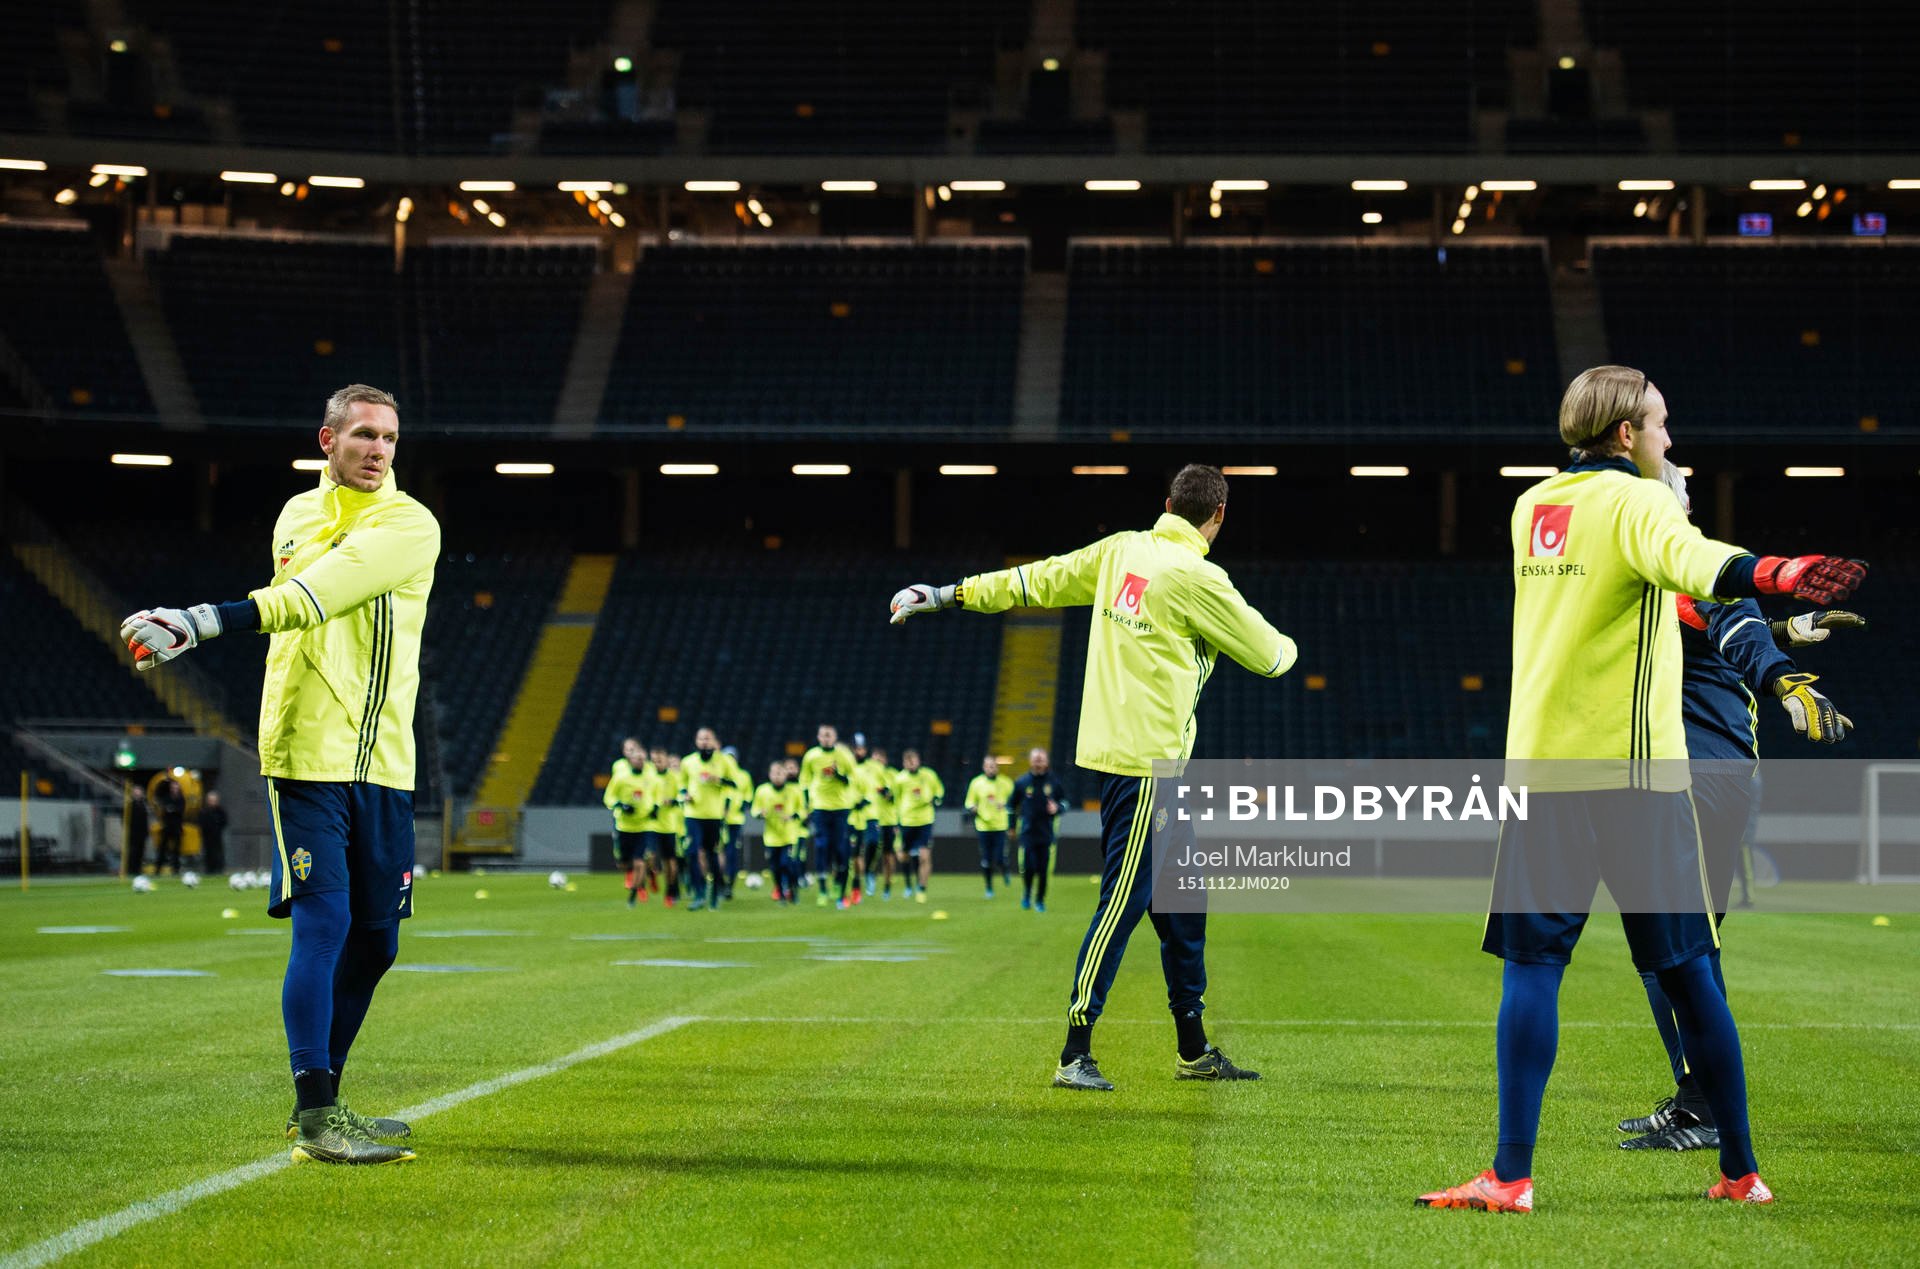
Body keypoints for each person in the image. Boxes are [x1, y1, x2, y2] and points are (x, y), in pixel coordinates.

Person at [1416, 366, 1864, 1212]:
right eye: (1661, 425)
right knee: (1691, 972)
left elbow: (1666, 595)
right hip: (1638, 779)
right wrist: (1777, 569)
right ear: (1626, 434)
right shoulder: (1647, 503)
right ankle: (1740, 1170)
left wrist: (1764, 623)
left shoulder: (1530, 509)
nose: (1668, 441)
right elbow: (1690, 563)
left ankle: (1511, 1175)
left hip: (1543, 771)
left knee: (1532, 967)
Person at [890, 463, 1294, 1090]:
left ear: (1166, 503)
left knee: (1185, 912)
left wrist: (948, 594)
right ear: (1218, 516)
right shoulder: (1200, 577)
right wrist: (1285, 648)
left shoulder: (1118, 551)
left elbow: (1035, 581)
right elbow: (1272, 658)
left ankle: (1193, 1049)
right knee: (1120, 906)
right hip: (1147, 769)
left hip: (1140, 766)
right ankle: (1074, 1053)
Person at [121, 382, 438, 1166]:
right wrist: (209, 620)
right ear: (326, 440)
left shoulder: (410, 524)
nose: (377, 449)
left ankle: (329, 1102)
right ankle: (317, 1114)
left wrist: (203, 619)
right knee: (324, 924)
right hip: (302, 750)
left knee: (378, 944)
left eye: (390, 438)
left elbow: (319, 595)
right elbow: (301, 605)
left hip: (384, 760)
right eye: (363, 434)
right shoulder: (296, 515)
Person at [1616, 461, 1862, 1152]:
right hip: (1682, 772)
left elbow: (1727, 627)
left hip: (1703, 773)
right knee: (1669, 950)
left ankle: (1707, 1111)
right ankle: (1695, 1098)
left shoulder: (1684, 561)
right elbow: (1711, 627)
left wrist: (1782, 673)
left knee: (1685, 948)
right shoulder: (1655, 571)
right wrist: (1790, 631)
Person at [680, 727, 743, 911]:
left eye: (707, 738)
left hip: (714, 815)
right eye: (701, 738)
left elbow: (736, 783)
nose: (704, 742)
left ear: (714, 741)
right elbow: (682, 785)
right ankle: (699, 894)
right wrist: (684, 795)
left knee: (712, 854)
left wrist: (720, 780)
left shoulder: (724, 761)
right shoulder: (688, 762)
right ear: (696, 741)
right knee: (692, 851)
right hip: (693, 814)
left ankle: (715, 892)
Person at [800, 724, 860, 909]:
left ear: (834, 737)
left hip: (841, 807)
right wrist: (807, 805)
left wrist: (838, 775)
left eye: (829, 735)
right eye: (823, 735)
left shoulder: (844, 755)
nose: (826, 738)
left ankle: (839, 889)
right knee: (821, 846)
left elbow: (854, 779)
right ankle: (823, 890)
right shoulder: (811, 756)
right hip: (820, 807)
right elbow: (804, 781)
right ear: (818, 737)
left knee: (840, 850)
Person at [1011, 748, 1068, 912]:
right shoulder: (1022, 782)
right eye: (1035, 758)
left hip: (1046, 832)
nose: (1038, 761)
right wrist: (1011, 826)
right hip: (1028, 832)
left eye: (1041, 759)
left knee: (1043, 869)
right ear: (1030, 761)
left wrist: (1057, 808)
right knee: (1028, 867)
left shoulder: (1054, 782)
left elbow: (1065, 803)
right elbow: (1011, 805)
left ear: (1046, 761)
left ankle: (1040, 900)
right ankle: (1027, 893)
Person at [604, 737, 652, 906]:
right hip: (624, 825)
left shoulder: (650, 774)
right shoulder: (620, 774)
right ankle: (634, 875)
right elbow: (609, 796)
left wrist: (653, 809)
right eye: (631, 752)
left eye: (640, 756)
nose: (637, 759)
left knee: (640, 861)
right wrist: (620, 805)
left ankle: (636, 891)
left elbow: (656, 793)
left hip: (644, 825)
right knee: (624, 862)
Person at [751, 761, 806, 903]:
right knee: (775, 866)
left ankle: (792, 889)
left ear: (785, 775)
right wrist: (759, 814)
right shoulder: (762, 791)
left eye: (780, 773)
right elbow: (754, 810)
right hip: (771, 836)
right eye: (774, 773)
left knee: (786, 864)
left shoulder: (794, 790)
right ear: (770, 774)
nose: (777, 776)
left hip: (790, 836)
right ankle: (780, 892)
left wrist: (793, 816)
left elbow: (803, 810)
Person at [894, 750, 943, 901]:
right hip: (907, 821)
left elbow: (939, 790)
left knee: (924, 855)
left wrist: (936, 799)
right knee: (903, 856)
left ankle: (921, 889)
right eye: (908, 761)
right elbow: (896, 801)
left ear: (919, 761)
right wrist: (896, 822)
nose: (911, 763)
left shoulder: (928, 775)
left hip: (925, 821)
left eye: (913, 760)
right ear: (904, 763)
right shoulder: (899, 779)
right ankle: (909, 885)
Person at [964, 755, 1014, 898]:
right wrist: (972, 808)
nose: (991, 768)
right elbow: (969, 802)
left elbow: (1014, 801)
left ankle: (1005, 870)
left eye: (993, 766)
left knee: (999, 858)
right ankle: (989, 888)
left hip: (1000, 826)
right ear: (984, 767)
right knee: (986, 860)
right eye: (988, 766)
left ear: (997, 767)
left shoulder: (1006, 783)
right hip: (983, 826)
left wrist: (1006, 805)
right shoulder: (976, 783)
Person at [862, 746, 902, 898]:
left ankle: (887, 885)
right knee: (870, 847)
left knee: (888, 855)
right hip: (871, 817)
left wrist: (888, 794)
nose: (876, 762)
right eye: (874, 758)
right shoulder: (866, 773)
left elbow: (897, 796)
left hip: (889, 820)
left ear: (885, 760)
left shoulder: (893, 775)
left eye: (879, 759)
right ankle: (869, 873)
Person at [154, 776, 185, 874]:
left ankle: (175, 869)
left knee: (176, 850)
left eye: (176, 787)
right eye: (173, 787)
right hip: (167, 827)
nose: (174, 789)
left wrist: (171, 809)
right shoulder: (166, 797)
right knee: (162, 849)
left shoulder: (181, 798)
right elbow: (158, 793)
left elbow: (179, 810)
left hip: (177, 828)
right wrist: (166, 780)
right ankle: (158, 869)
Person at [199, 790, 229, 876]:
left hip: (217, 835)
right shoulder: (204, 811)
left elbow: (224, 821)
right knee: (208, 853)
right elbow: (201, 822)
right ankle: (209, 870)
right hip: (207, 836)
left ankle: (219, 869)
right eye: (211, 800)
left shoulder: (220, 811)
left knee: (218, 852)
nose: (212, 802)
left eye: (214, 800)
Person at [123, 785, 148, 878]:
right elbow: (125, 819)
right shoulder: (130, 805)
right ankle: (131, 869)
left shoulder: (143, 804)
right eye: (136, 792)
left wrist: (146, 832)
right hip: (133, 833)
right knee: (133, 852)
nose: (138, 794)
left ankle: (138, 869)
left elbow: (145, 820)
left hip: (142, 833)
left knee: (140, 852)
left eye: (139, 792)